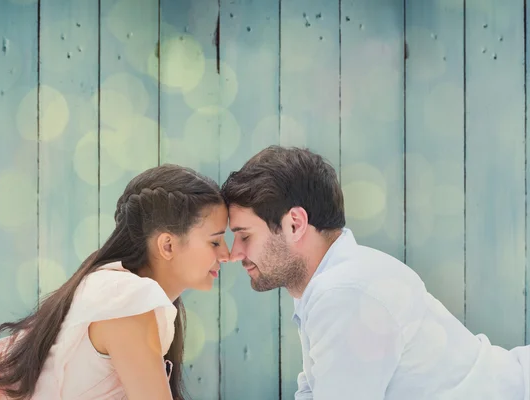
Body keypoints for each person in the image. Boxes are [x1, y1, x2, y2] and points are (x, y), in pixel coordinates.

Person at [221, 145, 530, 400]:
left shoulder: (345, 293)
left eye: (245, 236)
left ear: (294, 224)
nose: (234, 253)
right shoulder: (331, 283)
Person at [0, 164, 230, 400]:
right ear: (167, 246)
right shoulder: (127, 302)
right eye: (215, 242)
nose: (227, 254)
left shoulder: (126, 293)